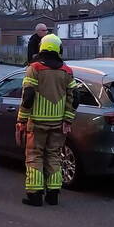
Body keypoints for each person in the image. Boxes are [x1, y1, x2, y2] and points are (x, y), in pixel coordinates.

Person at [16, 34, 77, 206]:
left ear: (42, 48)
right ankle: (53, 194)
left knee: (34, 156)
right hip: (58, 123)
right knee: (54, 156)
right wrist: (68, 119)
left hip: (36, 122)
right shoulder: (67, 71)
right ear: (59, 49)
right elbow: (75, 97)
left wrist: (21, 119)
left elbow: (27, 97)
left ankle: (34, 195)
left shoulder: (34, 68)